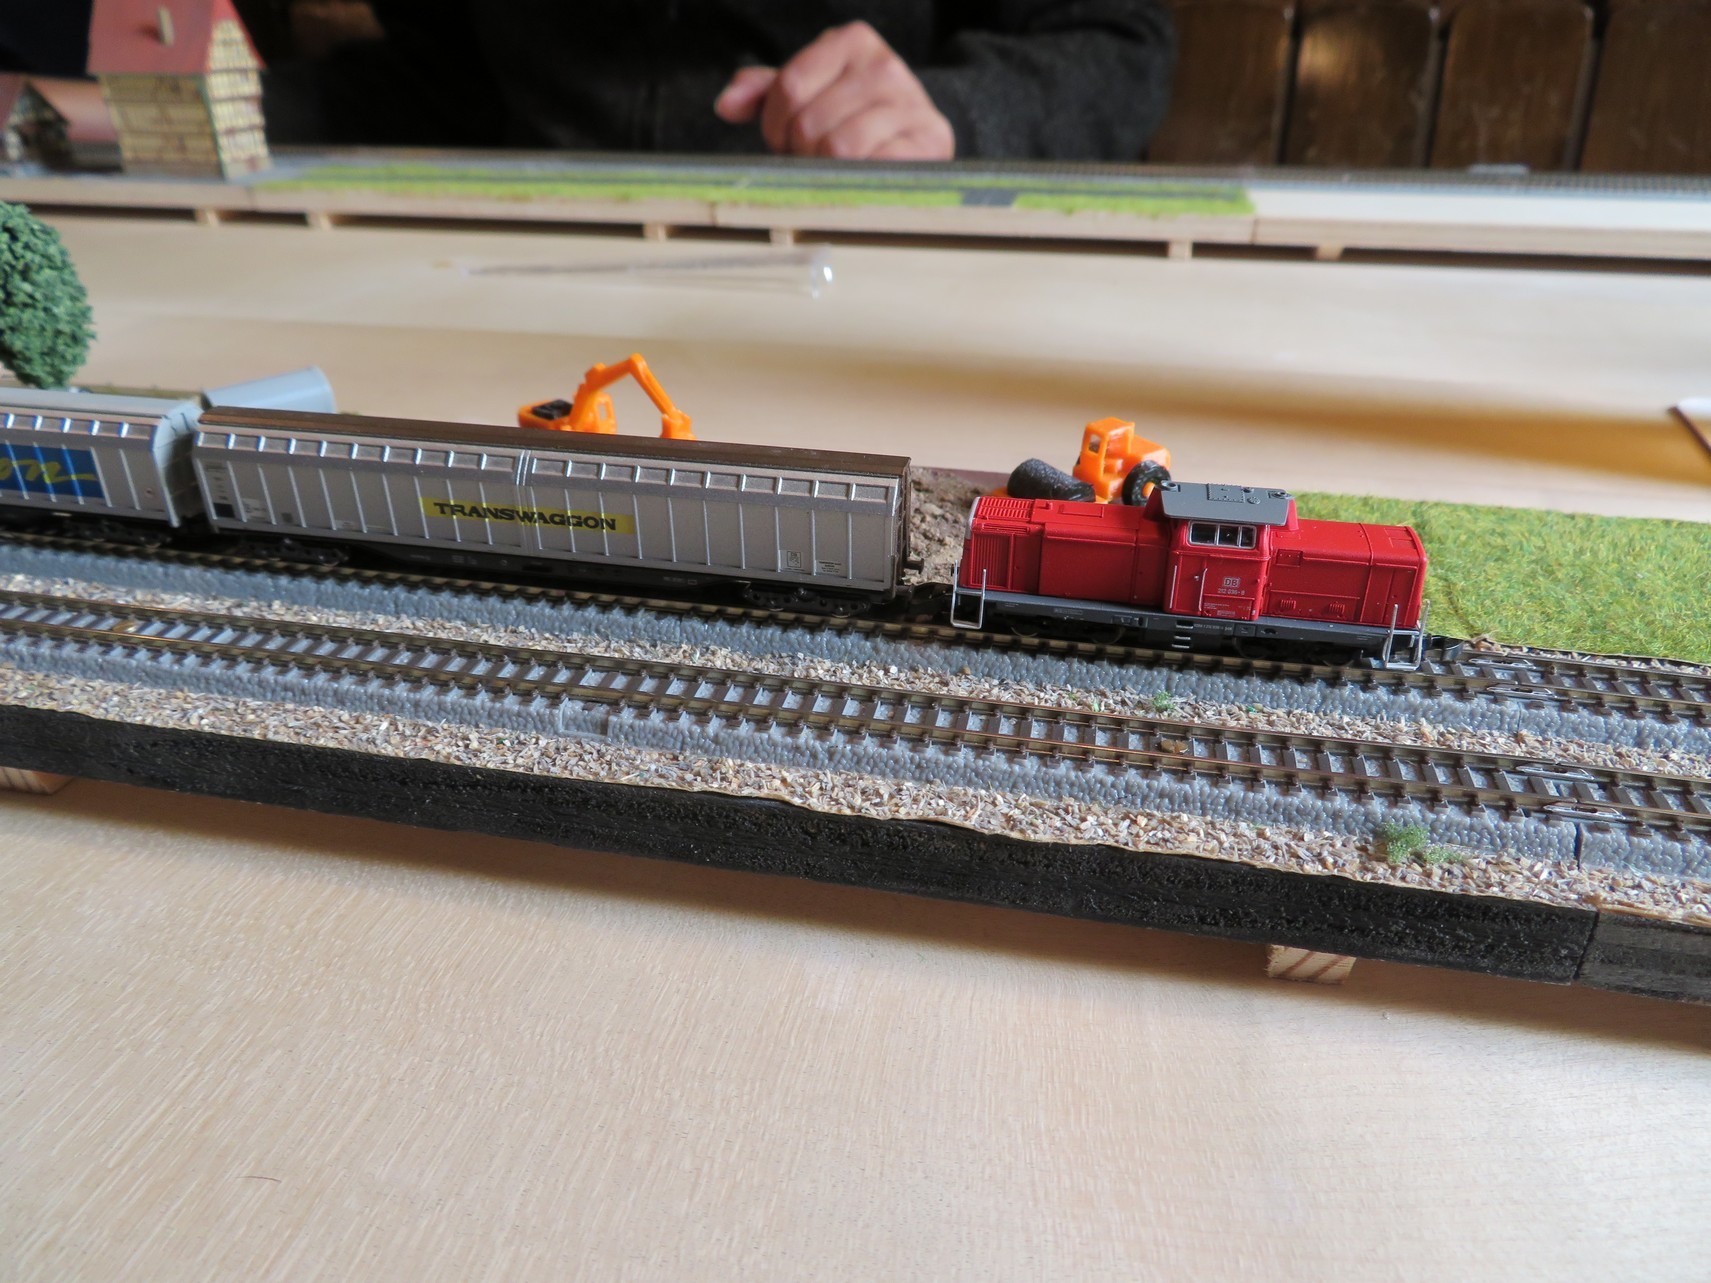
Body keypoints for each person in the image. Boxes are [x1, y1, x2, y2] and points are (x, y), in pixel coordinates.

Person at [279, 1, 1176, 161]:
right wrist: (250, 106)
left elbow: (1120, 44)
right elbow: (452, 77)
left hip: (867, 265)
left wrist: (951, 112)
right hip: (523, 264)